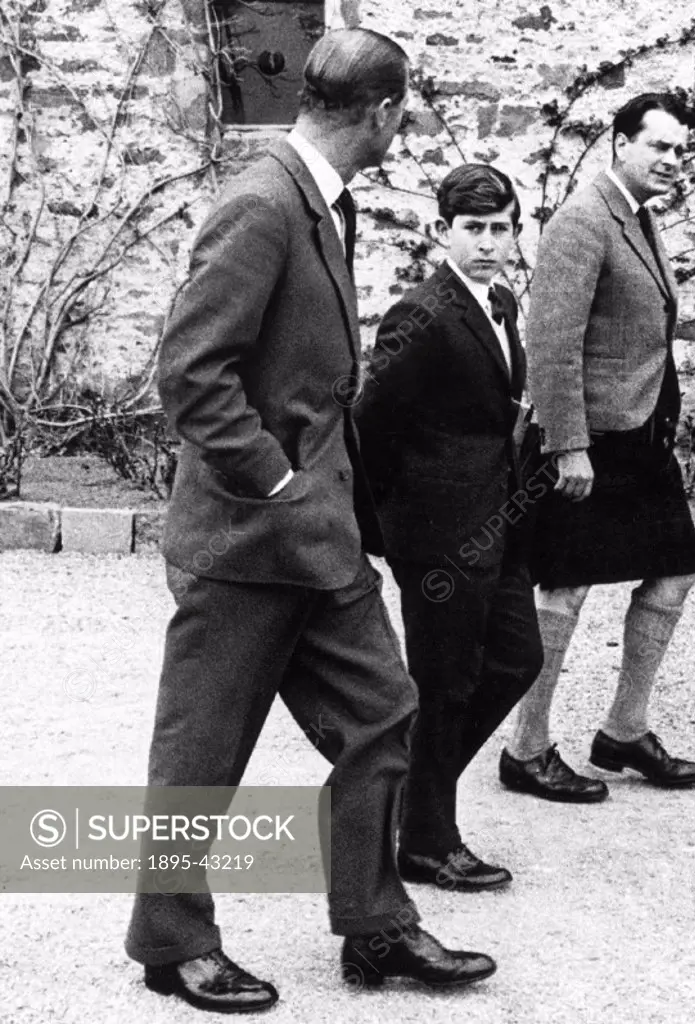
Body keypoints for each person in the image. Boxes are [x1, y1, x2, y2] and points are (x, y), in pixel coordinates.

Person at [125, 29, 496, 1015]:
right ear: (380, 113)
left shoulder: (317, 201)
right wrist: (280, 482)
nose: (398, 128)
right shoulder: (259, 205)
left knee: (384, 711)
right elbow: (190, 375)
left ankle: (374, 928)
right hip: (248, 541)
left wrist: (320, 499)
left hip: (316, 536)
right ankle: (172, 943)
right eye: (399, 114)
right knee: (200, 752)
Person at [500, 93, 695, 803]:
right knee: (564, 587)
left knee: (674, 573)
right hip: (590, 443)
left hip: (639, 436)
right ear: (618, 143)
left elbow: (624, 319)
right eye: (658, 146)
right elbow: (550, 345)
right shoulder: (582, 219)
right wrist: (566, 448)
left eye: (679, 150)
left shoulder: (638, 217)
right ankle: (525, 749)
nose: (670, 162)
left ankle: (623, 731)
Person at [356, 164, 543, 892]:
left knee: (514, 658)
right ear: (443, 233)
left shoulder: (499, 301)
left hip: (496, 525)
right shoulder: (422, 314)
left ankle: (404, 800)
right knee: (443, 684)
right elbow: (370, 426)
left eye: (501, 229)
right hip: (438, 536)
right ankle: (429, 841)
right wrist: (392, 529)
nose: (490, 243)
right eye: (474, 229)